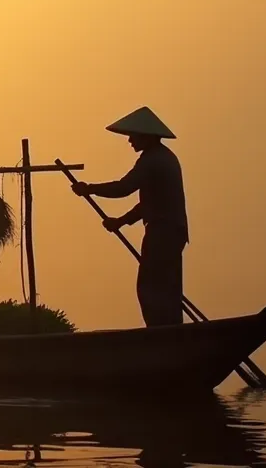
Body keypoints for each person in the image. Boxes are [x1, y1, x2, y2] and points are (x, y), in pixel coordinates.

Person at [72, 107, 189, 327]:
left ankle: (162, 331)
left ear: (146, 136)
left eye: (133, 136)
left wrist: (90, 189)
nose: (129, 141)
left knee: (150, 287)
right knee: (165, 287)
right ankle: (169, 329)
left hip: (163, 232)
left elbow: (124, 188)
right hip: (168, 231)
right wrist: (120, 221)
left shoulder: (154, 160)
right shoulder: (161, 158)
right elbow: (148, 203)